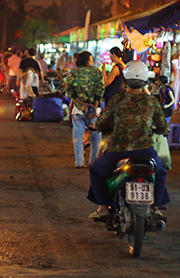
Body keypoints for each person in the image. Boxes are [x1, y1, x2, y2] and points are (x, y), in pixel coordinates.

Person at [87, 60, 170, 218]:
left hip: (117, 151)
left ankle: (103, 208)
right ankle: (156, 208)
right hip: (146, 152)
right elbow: (162, 126)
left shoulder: (117, 100)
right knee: (160, 172)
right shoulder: (151, 101)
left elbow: (103, 121)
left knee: (95, 170)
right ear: (145, 81)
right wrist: (161, 130)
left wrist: (95, 126)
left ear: (125, 80)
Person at [64, 51, 105, 168]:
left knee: (77, 138)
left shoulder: (72, 74)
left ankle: (79, 162)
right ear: (88, 60)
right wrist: (94, 106)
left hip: (78, 110)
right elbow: (100, 91)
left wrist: (82, 104)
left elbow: (70, 93)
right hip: (94, 112)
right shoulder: (97, 73)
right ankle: (93, 162)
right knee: (96, 138)